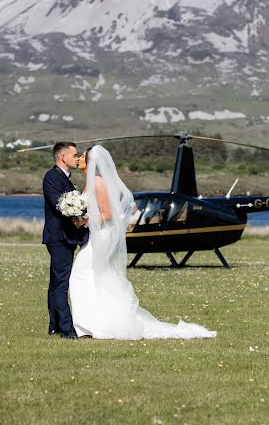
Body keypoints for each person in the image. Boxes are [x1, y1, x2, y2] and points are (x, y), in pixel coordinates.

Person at [69, 145, 216, 340]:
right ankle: (91, 323)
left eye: (82, 156)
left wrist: (84, 220)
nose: (78, 158)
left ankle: (92, 324)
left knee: (81, 274)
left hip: (101, 236)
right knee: (94, 276)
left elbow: (109, 214)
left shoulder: (98, 183)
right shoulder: (90, 183)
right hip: (95, 235)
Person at [42, 142, 89, 338]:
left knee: (56, 283)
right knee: (61, 283)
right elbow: (59, 205)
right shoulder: (52, 177)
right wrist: (78, 217)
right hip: (59, 237)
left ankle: (55, 326)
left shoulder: (67, 179)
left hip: (66, 237)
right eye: (74, 154)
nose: (77, 158)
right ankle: (67, 329)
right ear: (63, 157)